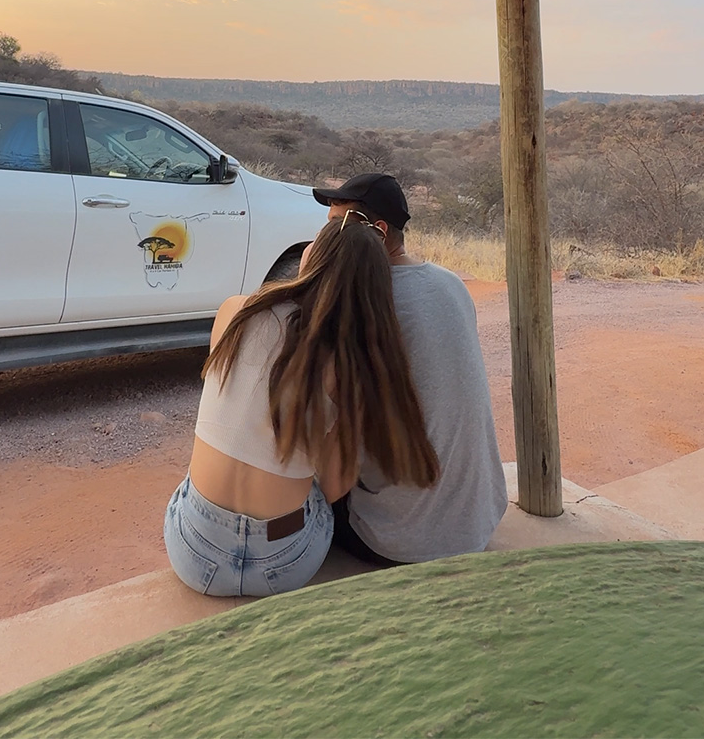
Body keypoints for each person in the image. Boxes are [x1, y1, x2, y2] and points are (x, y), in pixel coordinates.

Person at [164, 217, 440, 597]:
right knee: (310, 489)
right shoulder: (348, 368)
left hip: (194, 552)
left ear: (313, 255)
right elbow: (335, 485)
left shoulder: (236, 311)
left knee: (197, 476)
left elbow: (226, 401)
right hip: (283, 565)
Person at [310, 173, 508, 565]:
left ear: (378, 232)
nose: (324, 238)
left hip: (400, 540)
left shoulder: (364, 304)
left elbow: (331, 461)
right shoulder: (451, 284)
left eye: (335, 227)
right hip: (478, 521)